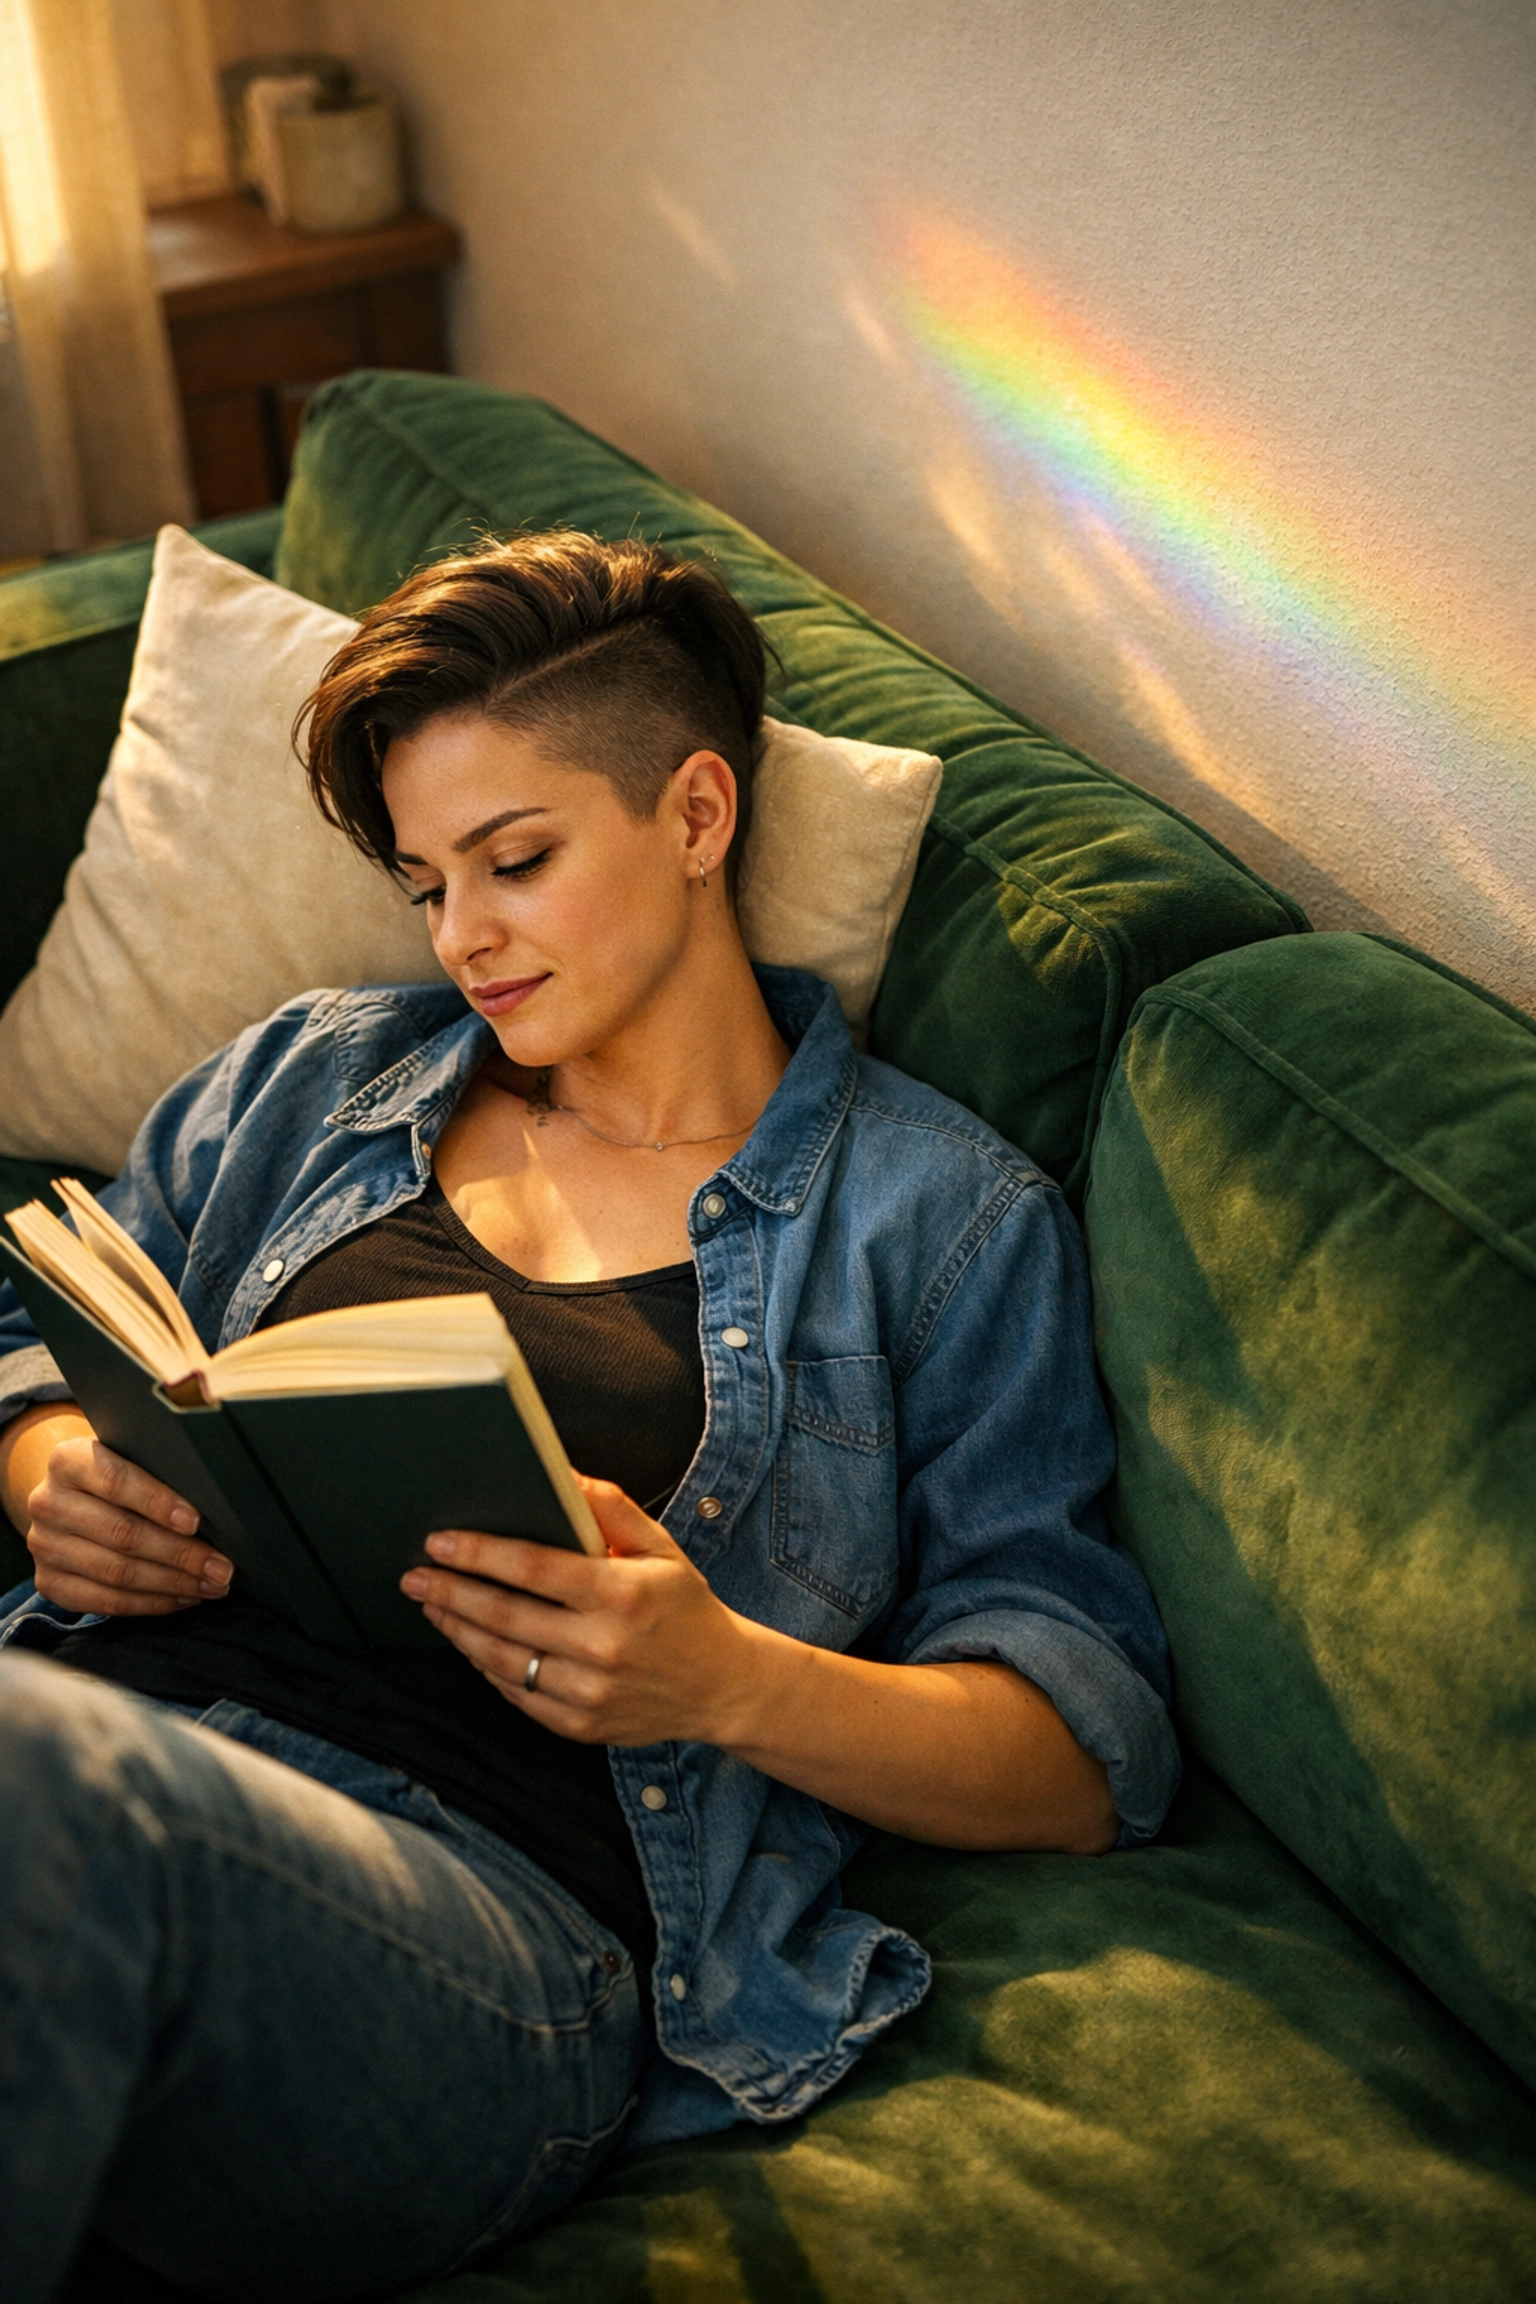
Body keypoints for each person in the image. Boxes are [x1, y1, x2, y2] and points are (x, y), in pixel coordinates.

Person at [0, 533, 1178, 2302]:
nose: (463, 936)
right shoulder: (319, 1077)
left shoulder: (938, 1224)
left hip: (476, 1934)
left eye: (517, 860)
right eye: (424, 884)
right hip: (104, 1723)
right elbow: (44, 1306)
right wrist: (48, 1470)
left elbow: (1086, 1756)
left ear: (698, 816)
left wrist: (725, 1679)